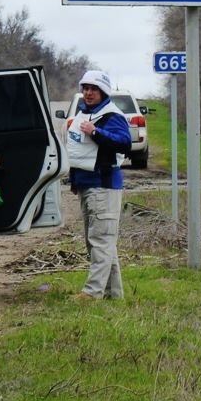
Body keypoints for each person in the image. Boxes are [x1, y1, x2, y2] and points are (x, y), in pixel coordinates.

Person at [65, 69, 131, 300]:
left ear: (103, 92)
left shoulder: (112, 116)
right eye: (85, 88)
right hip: (87, 185)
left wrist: (97, 132)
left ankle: (91, 294)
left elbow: (125, 143)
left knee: (100, 241)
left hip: (104, 185)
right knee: (101, 243)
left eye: (93, 89)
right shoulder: (84, 113)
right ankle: (114, 294)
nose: (88, 93)